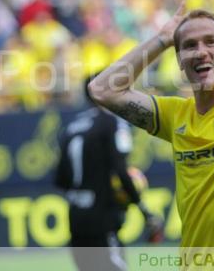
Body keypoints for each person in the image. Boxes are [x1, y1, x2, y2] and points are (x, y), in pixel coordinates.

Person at [88, 0, 214, 265]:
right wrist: (163, 39)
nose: (200, 52)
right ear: (180, 60)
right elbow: (102, 90)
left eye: (210, 42)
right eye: (189, 46)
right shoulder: (175, 115)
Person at [54, 79, 163, 271]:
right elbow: (120, 169)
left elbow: (61, 180)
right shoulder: (111, 122)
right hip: (101, 218)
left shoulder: (71, 127)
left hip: (76, 217)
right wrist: (143, 209)